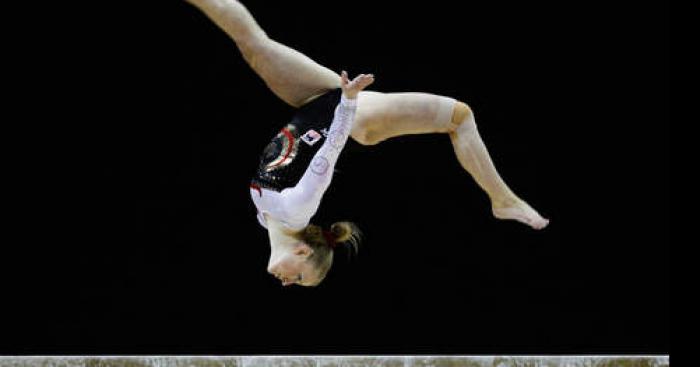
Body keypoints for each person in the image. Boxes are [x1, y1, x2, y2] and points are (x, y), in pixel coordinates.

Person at [185, 0, 550, 287]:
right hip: (349, 112)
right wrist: (348, 101)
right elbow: (330, 150)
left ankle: (502, 200)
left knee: (254, 46)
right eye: (300, 277)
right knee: (460, 116)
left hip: (316, 102)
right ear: (302, 250)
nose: (288, 283)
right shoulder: (296, 211)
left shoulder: (268, 220)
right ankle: (502, 200)